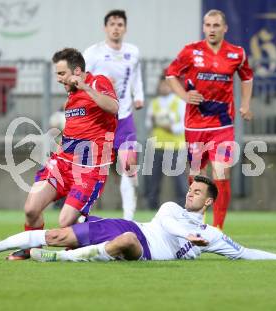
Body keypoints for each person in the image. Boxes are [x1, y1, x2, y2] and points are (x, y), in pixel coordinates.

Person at [0, 176, 276, 262]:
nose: (190, 194)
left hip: (143, 248)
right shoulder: (172, 209)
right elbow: (169, 228)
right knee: (57, 234)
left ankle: (59, 260)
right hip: (130, 227)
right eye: (191, 189)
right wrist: (191, 240)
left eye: (198, 193)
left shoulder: (211, 234)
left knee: (126, 245)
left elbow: (244, 252)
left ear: (209, 201)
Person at [6, 48, 119, 260]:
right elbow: (79, 127)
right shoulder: (71, 96)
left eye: (61, 74)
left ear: (77, 71)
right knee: (31, 209)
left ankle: (105, 234)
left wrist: (85, 87)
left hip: (90, 168)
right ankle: (30, 249)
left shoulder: (97, 82)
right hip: (62, 163)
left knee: (65, 222)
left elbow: (113, 107)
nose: (58, 79)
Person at [165, 9, 254, 229]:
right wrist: (184, 96)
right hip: (195, 125)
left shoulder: (237, 53)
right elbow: (170, 75)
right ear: (203, 27)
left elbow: (247, 77)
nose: (211, 29)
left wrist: (245, 104)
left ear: (225, 28)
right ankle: (196, 222)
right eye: (208, 25)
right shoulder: (190, 51)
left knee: (222, 172)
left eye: (216, 25)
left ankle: (218, 228)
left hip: (222, 124)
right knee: (196, 176)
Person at [83, 10, 144, 220]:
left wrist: (139, 96)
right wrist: (99, 83)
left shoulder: (133, 52)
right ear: (105, 28)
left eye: (120, 24)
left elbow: (136, 76)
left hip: (124, 117)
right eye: (112, 24)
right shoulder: (93, 53)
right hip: (100, 120)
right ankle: (83, 213)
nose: (116, 28)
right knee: (94, 170)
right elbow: (81, 80)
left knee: (129, 166)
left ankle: (129, 218)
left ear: (125, 28)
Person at [145, 73, 188, 209]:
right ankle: (151, 209)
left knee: (180, 183)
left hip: (175, 147)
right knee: (153, 183)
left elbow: (183, 124)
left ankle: (183, 209)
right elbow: (148, 123)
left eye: (167, 85)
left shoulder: (180, 102)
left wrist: (170, 127)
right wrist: (155, 123)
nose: (164, 87)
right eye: (162, 84)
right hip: (157, 147)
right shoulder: (154, 103)